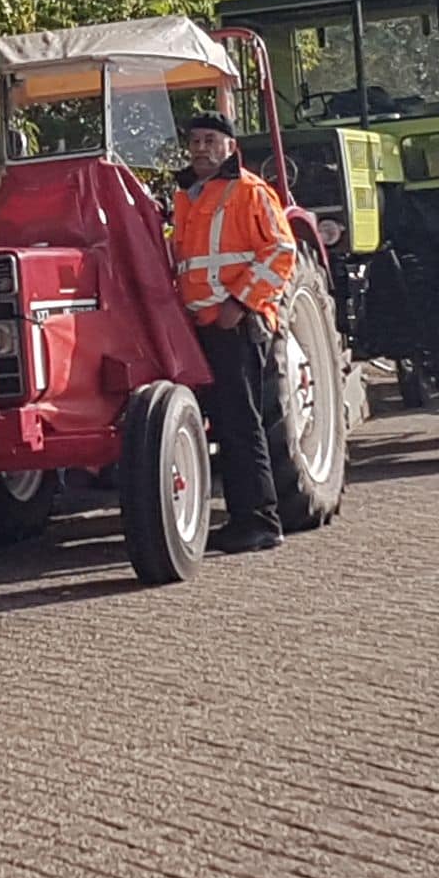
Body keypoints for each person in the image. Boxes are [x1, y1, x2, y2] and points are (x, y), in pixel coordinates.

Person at [171, 112, 298, 555]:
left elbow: (282, 251)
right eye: (195, 140)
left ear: (230, 146)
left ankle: (261, 521)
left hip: (236, 325)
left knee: (243, 425)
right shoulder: (187, 196)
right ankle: (244, 517)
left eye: (210, 139)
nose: (201, 147)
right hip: (203, 327)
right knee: (228, 423)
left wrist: (239, 302)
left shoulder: (249, 191)